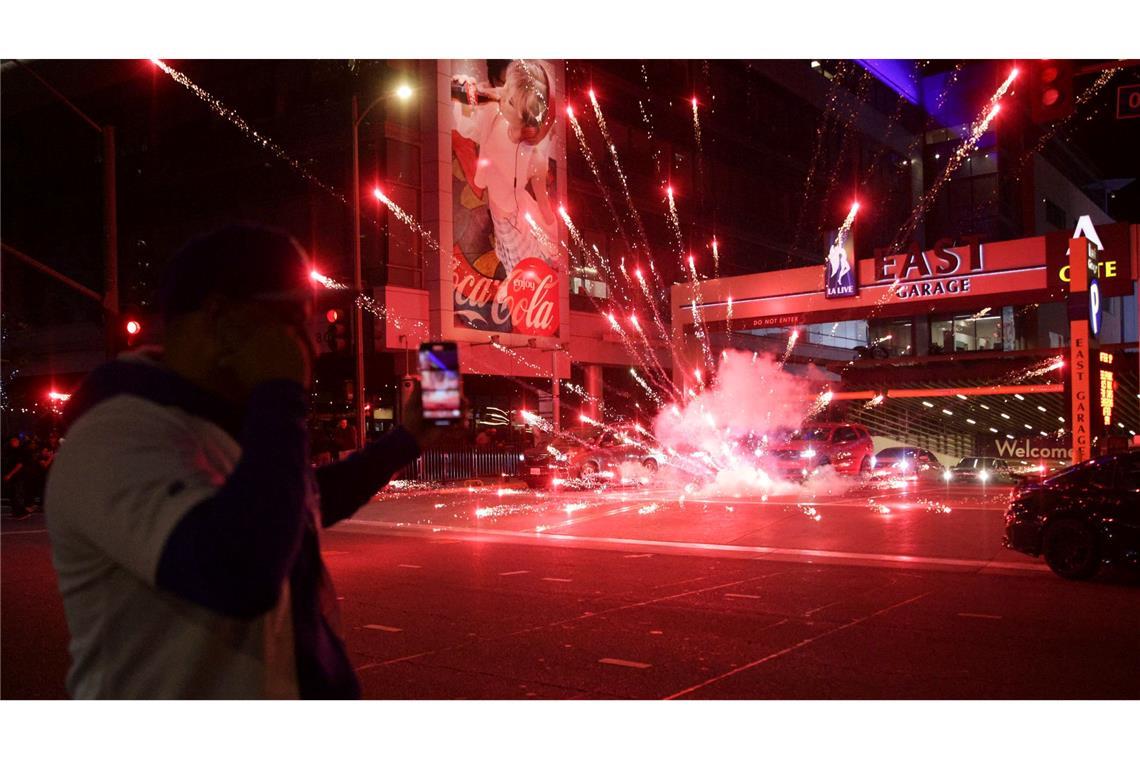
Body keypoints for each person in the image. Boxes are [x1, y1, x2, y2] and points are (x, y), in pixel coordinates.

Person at [45, 225, 445, 699]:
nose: (312, 348)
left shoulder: (215, 423)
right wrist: (280, 393)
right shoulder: (117, 436)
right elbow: (239, 572)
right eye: (295, 323)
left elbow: (302, 502)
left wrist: (408, 440)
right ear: (223, 318)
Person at [452, 60, 558, 273]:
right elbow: (465, 126)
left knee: (520, 267)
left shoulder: (531, 152)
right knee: (512, 259)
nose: (501, 93)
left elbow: (543, 200)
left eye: (509, 94)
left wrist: (555, 241)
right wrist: (461, 96)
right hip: (504, 218)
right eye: (505, 84)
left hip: (516, 223)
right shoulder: (493, 113)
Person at [3, 435, 33, 520]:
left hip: (18, 476)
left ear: (18, 441)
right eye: (11, 441)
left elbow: (20, 465)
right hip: (13, 477)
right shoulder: (12, 451)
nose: (12, 442)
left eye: (14, 441)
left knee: (17, 494)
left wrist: (10, 474)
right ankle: (15, 512)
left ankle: (22, 513)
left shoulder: (20, 451)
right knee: (12, 494)